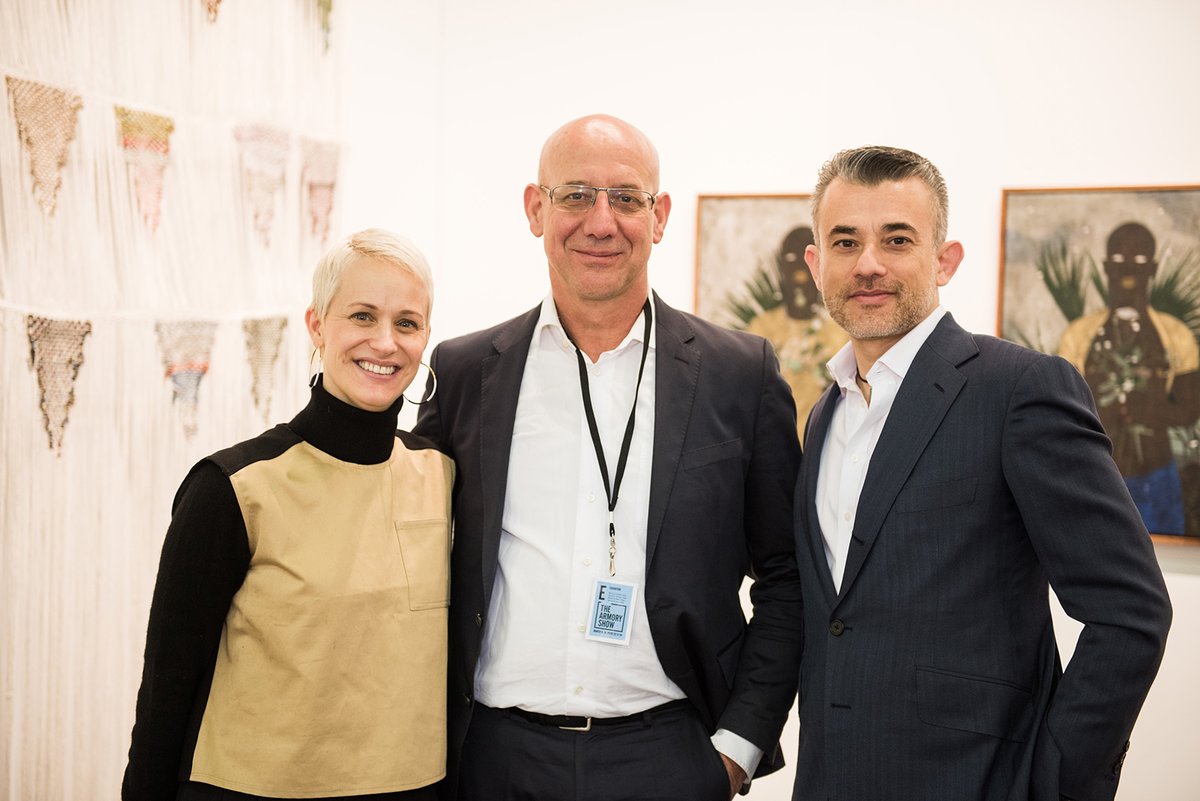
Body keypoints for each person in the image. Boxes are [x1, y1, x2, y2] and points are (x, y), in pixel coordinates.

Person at [413, 114, 802, 801]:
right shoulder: (466, 369)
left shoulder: (738, 373)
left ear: (660, 217)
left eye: (626, 197)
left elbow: (787, 573)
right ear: (536, 208)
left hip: (670, 756)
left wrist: (736, 749)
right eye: (575, 196)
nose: (601, 222)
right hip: (495, 759)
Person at [794, 146, 1172, 801]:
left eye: (898, 239)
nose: (869, 263)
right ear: (815, 262)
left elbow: (1130, 612)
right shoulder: (824, 412)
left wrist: (1052, 780)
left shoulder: (1019, 388)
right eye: (845, 241)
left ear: (945, 259)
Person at [123, 229, 453, 801]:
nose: (384, 342)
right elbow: (166, 691)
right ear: (317, 326)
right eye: (361, 316)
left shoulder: (443, 477)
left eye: (406, 323)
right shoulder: (232, 488)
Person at [1058, 221, 1200, 534]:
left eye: (1138, 263)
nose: (1128, 273)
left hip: (1157, 476)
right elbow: (1059, 410)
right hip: (1091, 476)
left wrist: (1149, 409)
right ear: (1107, 267)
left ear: (1152, 269)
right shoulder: (1079, 335)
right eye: (1120, 262)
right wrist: (1103, 413)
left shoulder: (1175, 335)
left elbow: (1190, 410)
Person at [744, 224, 848, 422]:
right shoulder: (761, 328)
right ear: (782, 268)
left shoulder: (839, 331)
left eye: (804, 262)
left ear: (817, 266)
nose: (799, 273)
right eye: (791, 261)